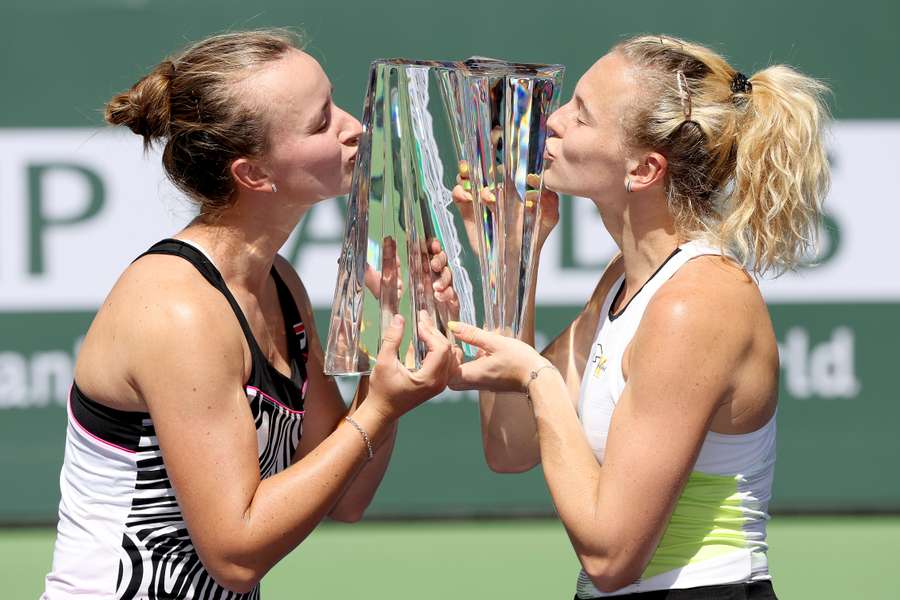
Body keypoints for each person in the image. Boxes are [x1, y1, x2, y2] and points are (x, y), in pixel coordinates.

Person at [42, 29, 457, 599]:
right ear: (254, 174)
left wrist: (390, 341)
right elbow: (236, 556)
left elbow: (347, 493)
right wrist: (381, 408)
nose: (353, 127)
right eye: (320, 123)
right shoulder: (178, 310)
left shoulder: (280, 283)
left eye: (334, 102)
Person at [449, 35, 830, 599]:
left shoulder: (696, 303)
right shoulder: (623, 281)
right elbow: (510, 444)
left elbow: (611, 556)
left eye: (581, 115)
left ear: (644, 169)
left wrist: (538, 377)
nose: (551, 121)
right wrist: (511, 264)